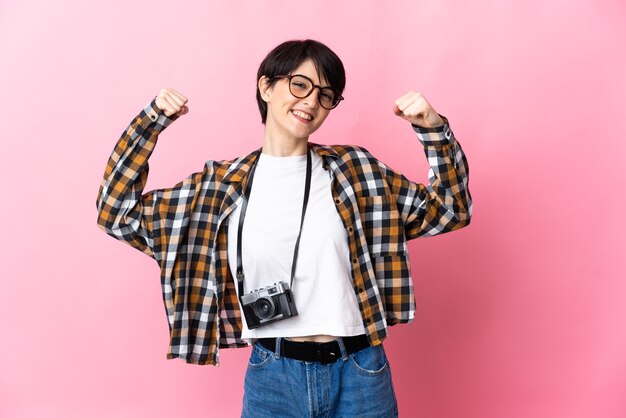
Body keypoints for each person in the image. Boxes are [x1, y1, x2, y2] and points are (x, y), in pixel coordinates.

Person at [96, 39, 472, 417]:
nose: (310, 101)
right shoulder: (217, 187)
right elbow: (117, 211)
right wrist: (151, 122)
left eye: (326, 94)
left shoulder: (357, 172)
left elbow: (451, 209)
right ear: (266, 87)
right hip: (272, 374)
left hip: (360, 369)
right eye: (300, 85)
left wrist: (434, 131)